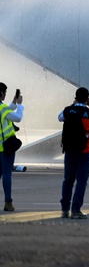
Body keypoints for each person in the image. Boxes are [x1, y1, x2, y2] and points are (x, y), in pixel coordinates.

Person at [59, 87, 89, 219]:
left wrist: (73, 105)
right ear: (87, 98)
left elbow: (59, 117)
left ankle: (65, 210)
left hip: (70, 150)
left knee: (68, 180)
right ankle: (76, 209)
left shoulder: (68, 110)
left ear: (75, 98)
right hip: (86, 151)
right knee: (81, 181)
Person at [1, 82, 24, 212]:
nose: (5, 95)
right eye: (4, 93)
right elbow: (17, 118)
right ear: (1, 93)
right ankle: (8, 202)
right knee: (7, 174)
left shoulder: (2, 108)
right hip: (5, 147)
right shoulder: (2, 108)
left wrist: (13, 103)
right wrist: (20, 105)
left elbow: (5, 112)